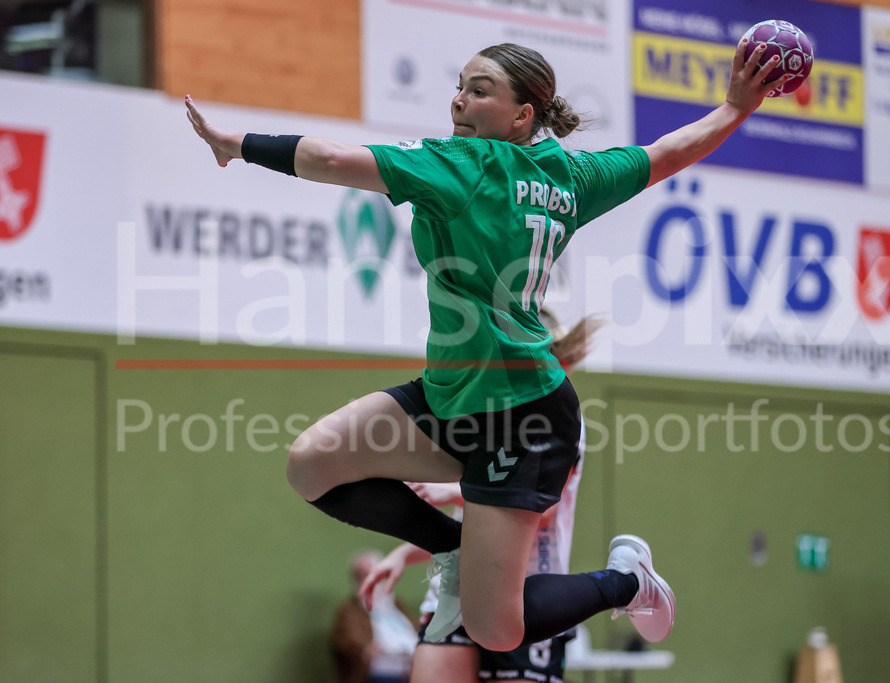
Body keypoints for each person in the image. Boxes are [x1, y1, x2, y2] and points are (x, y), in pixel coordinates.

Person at [185, 39, 785, 653]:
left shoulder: (466, 164)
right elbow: (663, 155)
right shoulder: (571, 176)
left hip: (523, 413)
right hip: (453, 397)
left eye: (480, 90)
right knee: (312, 463)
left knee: (496, 628)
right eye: (460, 85)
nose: (459, 99)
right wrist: (735, 108)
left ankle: (624, 583)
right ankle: (450, 549)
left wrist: (237, 146)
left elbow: (335, 159)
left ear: (523, 114)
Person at [361, 310, 596, 683]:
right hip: (453, 594)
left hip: (523, 599)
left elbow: (542, 512)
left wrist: (455, 491)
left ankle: (627, 583)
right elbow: (469, 529)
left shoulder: (560, 421)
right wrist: (402, 555)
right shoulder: (480, 413)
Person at [330, 550, 419, 683]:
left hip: (411, 665)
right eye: (365, 575)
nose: (372, 580)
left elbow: (416, 628)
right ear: (356, 579)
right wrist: (366, 649)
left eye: (376, 574)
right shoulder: (350, 611)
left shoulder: (395, 604)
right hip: (381, 671)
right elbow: (347, 641)